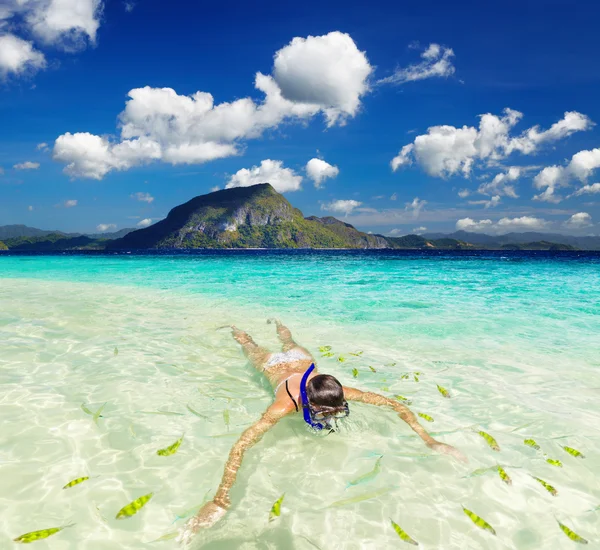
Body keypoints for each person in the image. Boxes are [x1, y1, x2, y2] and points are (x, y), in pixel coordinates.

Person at [180, 320, 466, 541]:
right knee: (250, 346)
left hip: (302, 360)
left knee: (289, 341)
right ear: (309, 402)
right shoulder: (284, 405)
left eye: (337, 412)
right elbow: (242, 444)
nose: (332, 418)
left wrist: (430, 441)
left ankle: (278, 323)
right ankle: (235, 328)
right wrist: (220, 500)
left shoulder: (339, 391)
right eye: (325, 413)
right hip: (274, 366)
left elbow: (394, 405)